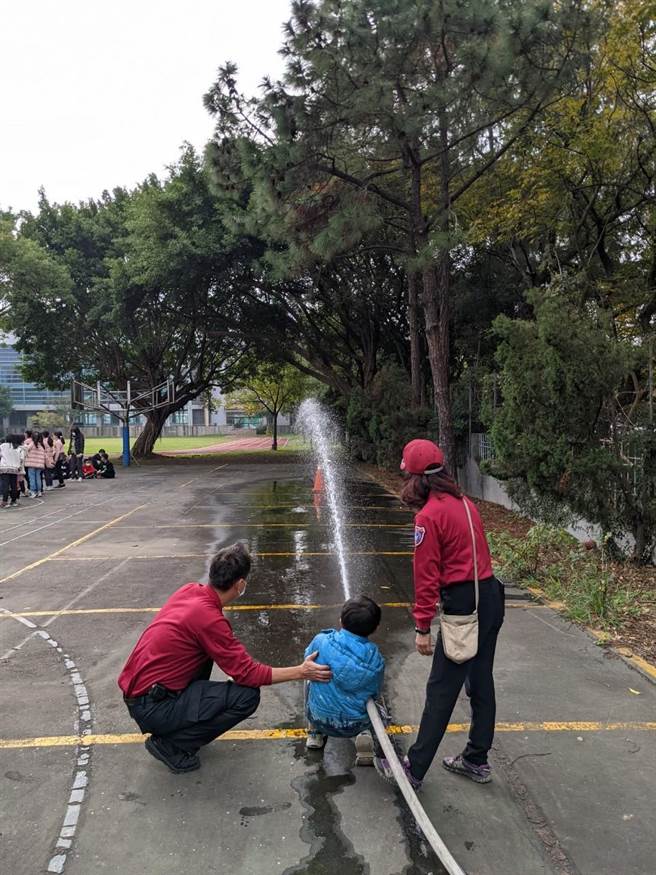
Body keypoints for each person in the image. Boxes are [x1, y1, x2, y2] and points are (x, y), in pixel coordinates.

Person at [118, 542, 332, 774]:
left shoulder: (190, 590)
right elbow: (248, 674)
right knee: (247, 696)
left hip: (141, 694)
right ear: (240, 584)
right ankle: (172, 744)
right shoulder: (208, 618)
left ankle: (178, 726)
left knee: (207, 655)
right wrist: (302, 671)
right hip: (152, 706)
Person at [376, 439, 504, 790]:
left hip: (464, 603)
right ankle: (476, 759)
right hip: (490, 596)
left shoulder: (428, 516)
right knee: (480, 682)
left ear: (416, 478)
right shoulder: (465, 504)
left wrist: (422, 627)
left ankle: (413, 770)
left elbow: (427, 576)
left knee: (441, 688)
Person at [304, 595, 385, 766]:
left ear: (341, 621)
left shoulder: (321, 641)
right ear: (375, 628)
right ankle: (364, 736)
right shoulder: (375, 658)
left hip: (320, 718)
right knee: (372, 698)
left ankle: (315, 734)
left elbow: (306, 660)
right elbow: (375, 691)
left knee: (309, 675)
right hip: (354, 724)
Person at [0, 434, 23, 508]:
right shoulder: (18, 448)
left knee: (5, 485)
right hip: (14, 468)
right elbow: (20, 459)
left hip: (5, 467)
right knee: (14, 486)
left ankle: (4, 501)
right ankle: (14, 501)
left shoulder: (3, 446)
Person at [24, 431, 46, 497]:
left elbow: (26, 449)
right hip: (39, 464)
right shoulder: (41, 445)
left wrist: (24, 445)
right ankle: (39, 491)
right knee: (38, 478)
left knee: (32, 478)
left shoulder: (32, 443)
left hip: (31, 464)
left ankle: (33, 491)